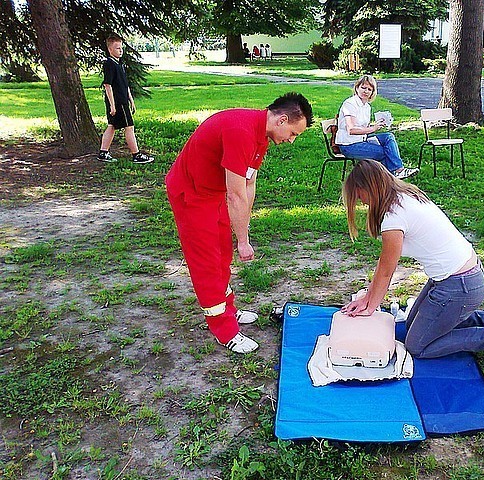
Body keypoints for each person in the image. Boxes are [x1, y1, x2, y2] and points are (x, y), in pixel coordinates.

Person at [165, 93, 313, 353]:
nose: (290, 140)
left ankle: (228, 309)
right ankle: (224, 330)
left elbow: (248, 184)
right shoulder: (241, 132)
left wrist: (242, 232)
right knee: (207, 261)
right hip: (191, 193)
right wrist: (243, 241)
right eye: (293, 133)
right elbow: (235, 194)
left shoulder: (261, 135)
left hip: (212, 192)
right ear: (282, 119)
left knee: (223, 252)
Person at [341, 160, 484, 366]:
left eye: (359, 194)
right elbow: (383, 264)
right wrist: (367, 298)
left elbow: (386, 272)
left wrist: (371, 307)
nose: (361, 202)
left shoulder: (393, 218)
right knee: (411, 325)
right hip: (460, 278)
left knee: (418, 346)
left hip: (460, 286)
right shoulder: (405, 195)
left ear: (369, 188)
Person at [336, 75, 418, 179]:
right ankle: (392, 178)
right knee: (386, 152)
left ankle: (396, 173)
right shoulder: (350, 104)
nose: (366, 91)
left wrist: (377, 124)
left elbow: (362, 127)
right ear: (357, 88)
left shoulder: (366, 106)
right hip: (349, 145)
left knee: (389, 136)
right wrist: (373, 128)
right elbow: (351, 129)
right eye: (363, 87)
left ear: (372, 92)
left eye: (369, 89)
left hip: (361, 140)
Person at [97, 34, 154, 164]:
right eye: (117, 48)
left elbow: (125, 84)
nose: (120, 51)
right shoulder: (109, 64)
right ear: (110, 50)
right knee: (129, 127)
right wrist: (112, 105)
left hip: (124, 100)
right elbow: (107, 85)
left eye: (121, 48)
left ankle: (103, 152)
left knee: (112, 126)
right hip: (118, 102)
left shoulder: (120, 64)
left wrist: (131, 100)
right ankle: (136, 155)